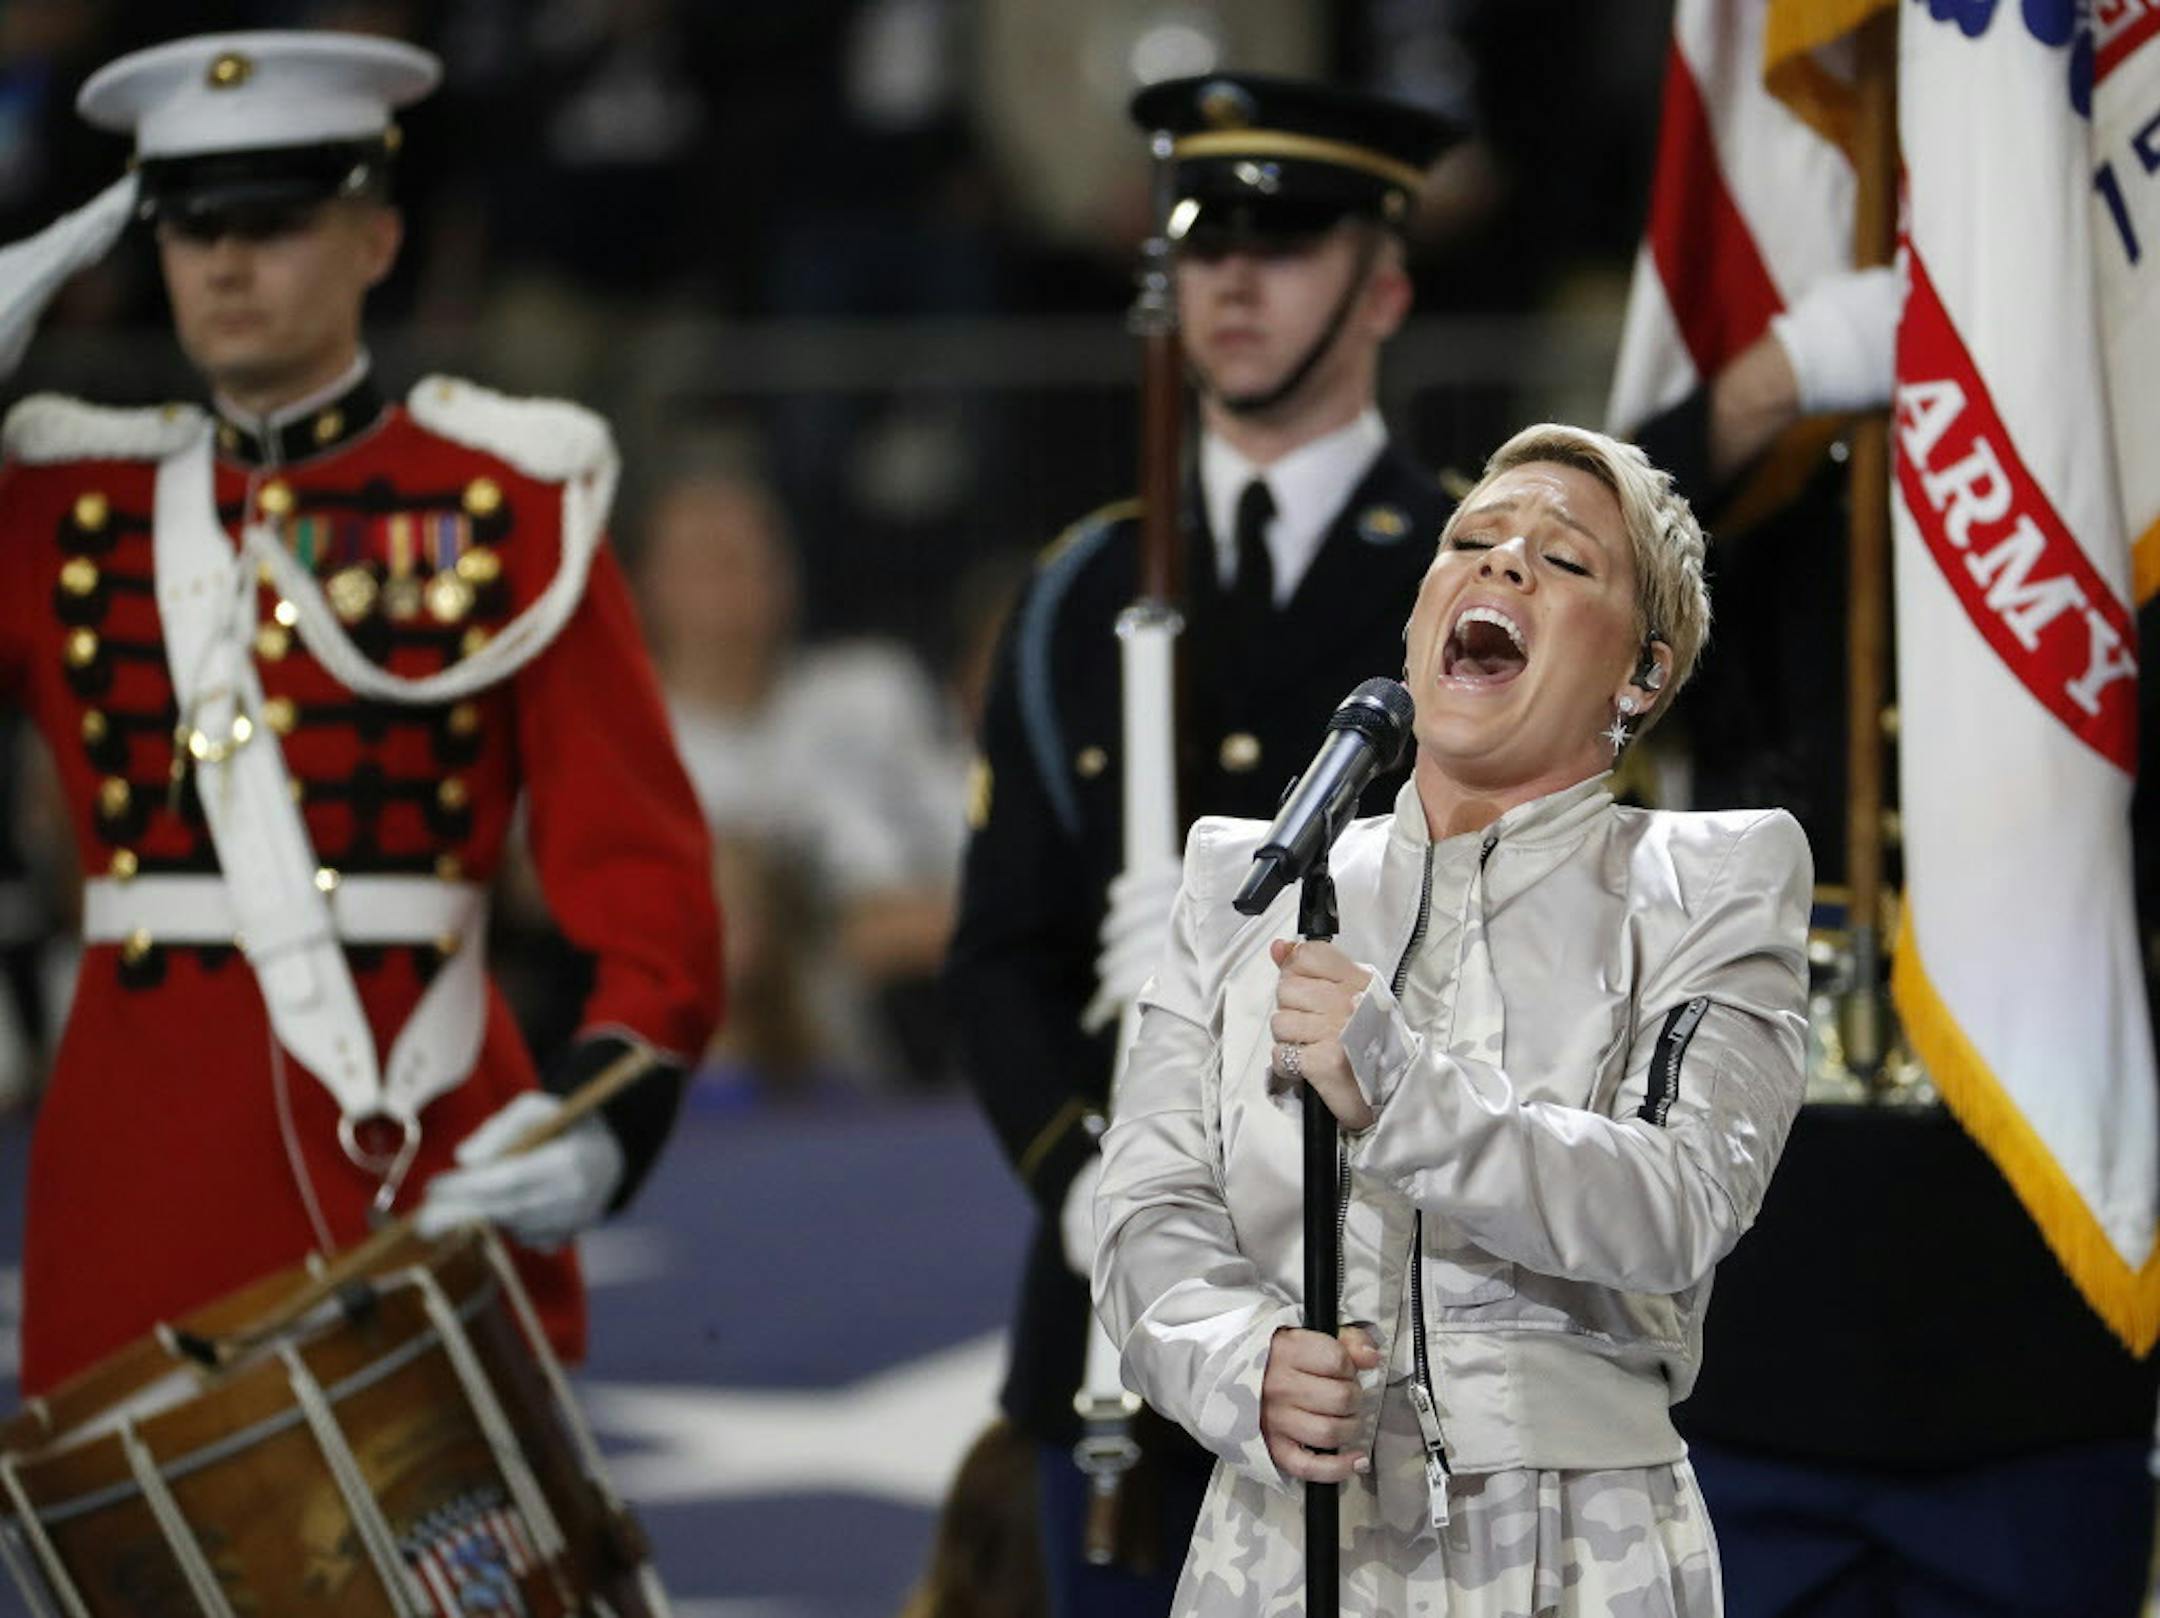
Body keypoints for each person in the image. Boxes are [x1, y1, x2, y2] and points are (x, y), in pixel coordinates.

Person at [0, 30, 721, 1397]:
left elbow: (644, 875)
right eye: (190, 228)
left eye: (273, 224)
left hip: (413, 1137)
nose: (224, 265)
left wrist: (611, 1106)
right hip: (130, 1172)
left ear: (377, 241)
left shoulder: (507, 502)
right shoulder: (57, 507)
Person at [1094, 422, 1813, 1615]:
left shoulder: (1715, 878)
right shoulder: (1246, 879)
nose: (1503, 565)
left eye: (1566, 560)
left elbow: (1679, 1202)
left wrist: (1399, 1085)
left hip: (1582, 1552)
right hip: (1284, 1543)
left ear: (1643, 673)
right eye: (1472, 541)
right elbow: (1148, 1206)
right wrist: (1242, 1363)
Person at [945, 74, 1461, 1613]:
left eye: (1287, 240)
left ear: (1384, 284)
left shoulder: (1476, 581)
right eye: (1206, 242)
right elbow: (997, 960)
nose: (1234, 281)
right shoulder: (1081, 586)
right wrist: (1105, 1196)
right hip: (1115, 1332)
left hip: (1377, 1333)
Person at [1632, 272, 2160, 1612]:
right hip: (1762, 1337)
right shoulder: (1773, 525)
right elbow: (1571, 598)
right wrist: (1775, 380)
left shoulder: (2122, 524)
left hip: (2034, 1345)